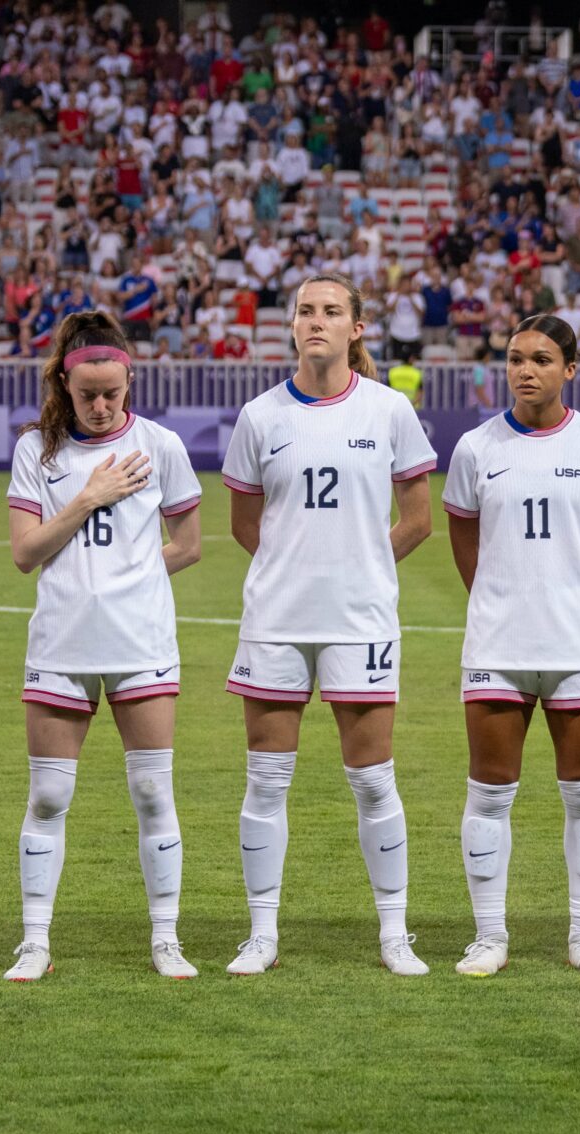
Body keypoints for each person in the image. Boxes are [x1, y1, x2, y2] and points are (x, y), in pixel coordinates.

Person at [219, 274, 437, 978]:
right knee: (266, 779)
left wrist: (361, 562)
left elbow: (418, 518)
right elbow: (247, 526)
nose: (317, 321)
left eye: (332, 311)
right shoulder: (259, 416)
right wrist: (298, 567)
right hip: (277, 620)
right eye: (306, 311)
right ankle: (261, 934)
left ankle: (395, 933)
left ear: (357, 328)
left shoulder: (389, 410)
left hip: (361, 619)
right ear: (291, 325)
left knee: (374, 780)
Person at [2, 312, 204, 981]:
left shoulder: (161, 446)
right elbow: (25, 552)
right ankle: (34, 940)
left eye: (111, 392)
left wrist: (130, 576)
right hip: (61, 642)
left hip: (139, 637)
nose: (99, 405)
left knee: (152, 790)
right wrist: (87, 497)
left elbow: (188, 544)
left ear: (129, 380)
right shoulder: (39, 451)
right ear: (65, 378)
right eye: (87, 392)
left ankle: (166, 937)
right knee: (49, 797)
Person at [442, 314, 580, 977]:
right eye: (516, 357)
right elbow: (465, 540)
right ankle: (489, 935)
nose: (526, 369)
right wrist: (501, 596)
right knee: (489, 794)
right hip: (497, 641)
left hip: (578, 642)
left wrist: (579, 599)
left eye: (543, 359)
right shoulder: (475, 447)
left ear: (571, 370)